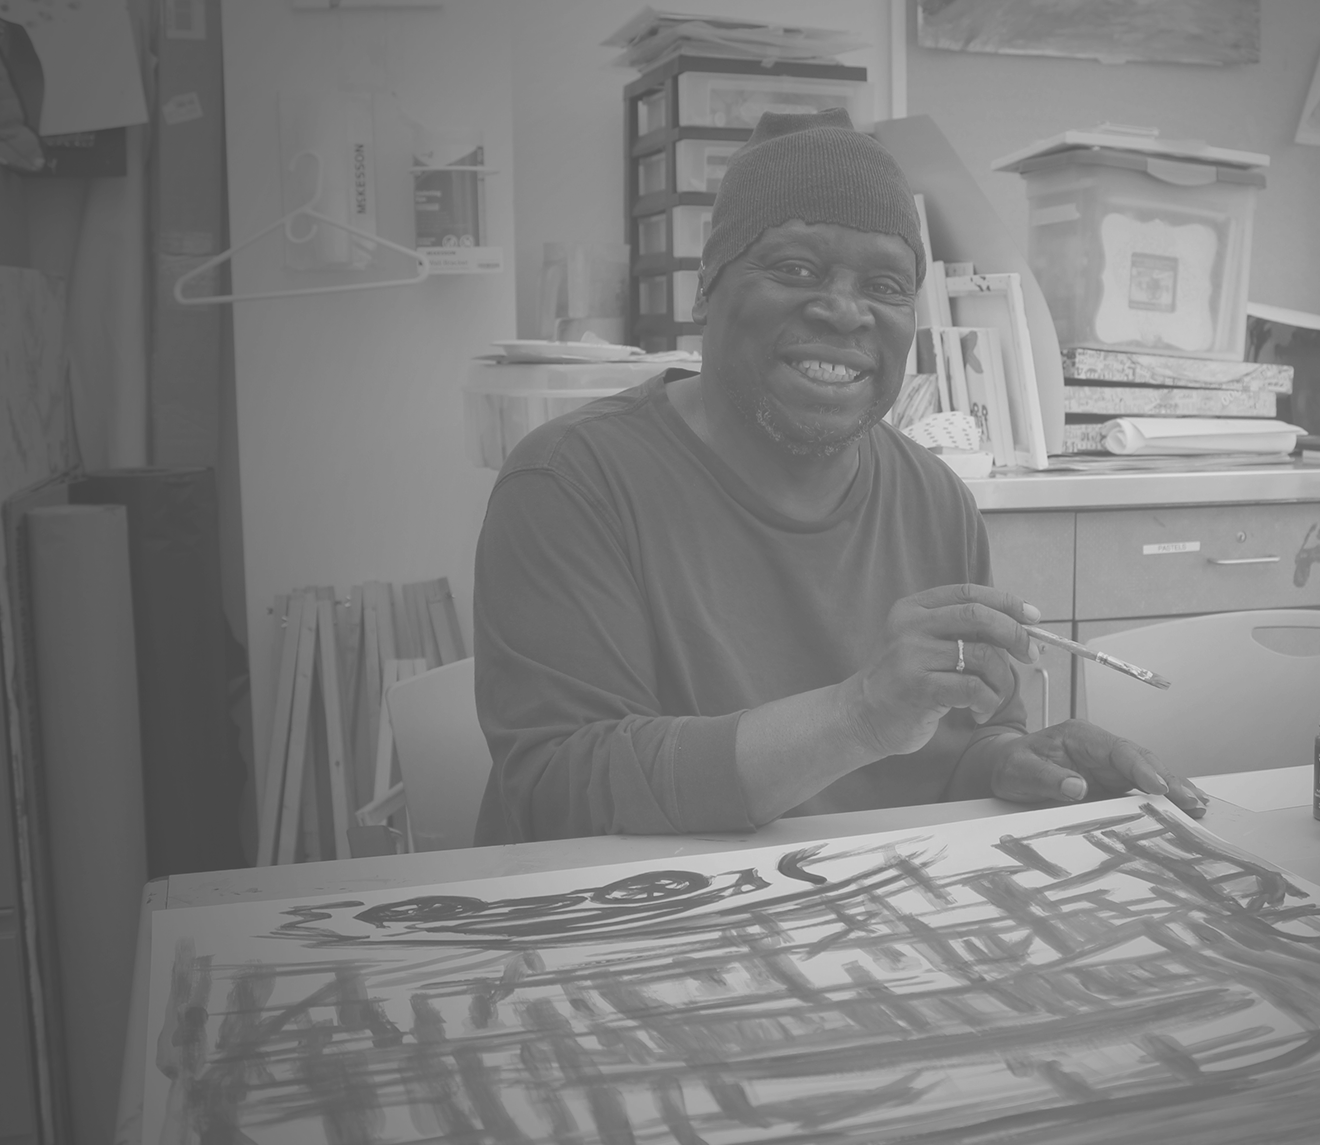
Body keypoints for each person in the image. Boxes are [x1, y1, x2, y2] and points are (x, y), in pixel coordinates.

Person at [473, 108, 1201, 844]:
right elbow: (558, 790)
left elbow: (957, 748)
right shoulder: (571, 483)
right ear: (706, 287)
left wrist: (1011, 760)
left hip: (865, 922)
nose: (843, 310)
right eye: (795, 268)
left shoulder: (936, 501)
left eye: (885, 285)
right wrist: (857, 716)